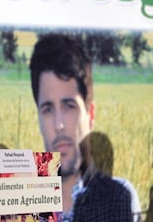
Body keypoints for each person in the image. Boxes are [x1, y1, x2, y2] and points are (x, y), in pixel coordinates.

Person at [29, 34, 133, 221]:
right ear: (38, 119)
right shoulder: (16, 199)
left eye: (69, 106)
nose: (59, 125)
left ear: (90, 116)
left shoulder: (118, 199)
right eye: (48, 109)